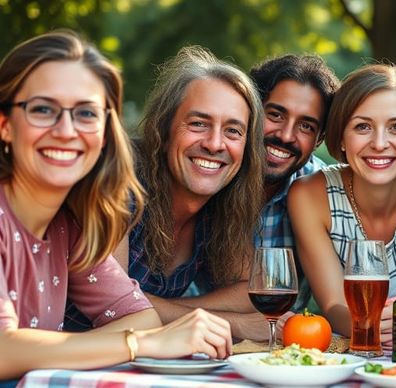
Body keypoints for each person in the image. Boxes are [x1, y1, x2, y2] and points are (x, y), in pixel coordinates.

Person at [0, 32, 231, 379]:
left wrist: (40, 350)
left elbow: (139, 317)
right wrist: (140, 344)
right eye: (43, 109)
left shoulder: (71, 223)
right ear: (5, 125)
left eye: (86, 113)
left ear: (106, 132)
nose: (66, 130)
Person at [288, 64, 396, 343]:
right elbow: (333, 304)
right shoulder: (309, 196)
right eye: (362, 126)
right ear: (340, 137)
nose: (379, 143)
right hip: (356, 349)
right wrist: (367, 325)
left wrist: (395, 325)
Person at [112, 49, 265, 340]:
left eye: (233, 131)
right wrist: (234, 324)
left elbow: (251, 290)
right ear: (164, 128)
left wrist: (170, 309)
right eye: (198, 124)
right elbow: (117, 306)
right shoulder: (121, 179)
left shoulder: (221, 205)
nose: (214, 143)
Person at [249, 54, 335, 253]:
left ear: (319, 140)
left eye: (305, 126)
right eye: (276, 115)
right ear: (250, 112)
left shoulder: (327, 195)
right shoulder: (213, 174)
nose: (286, 136)